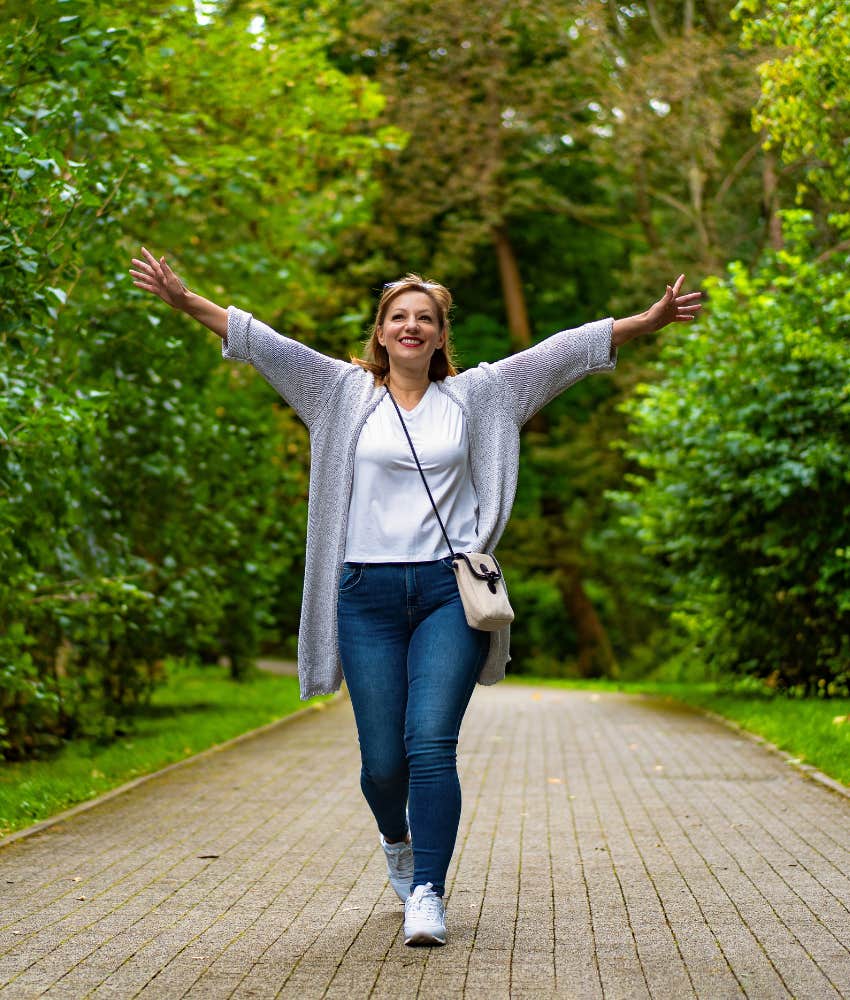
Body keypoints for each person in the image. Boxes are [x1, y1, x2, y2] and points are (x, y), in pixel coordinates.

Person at [129, 247, 701, 946]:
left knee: (430, 743)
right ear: (380, 332)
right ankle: (396, 838)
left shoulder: (481, 394)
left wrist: (647, 320)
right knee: (382, 763)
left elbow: (562, 353)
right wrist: (185, 300)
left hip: (445, 594)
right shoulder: (338, 392)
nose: (410, 327)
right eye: (398, 316)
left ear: (438, 334)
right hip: (363, 594)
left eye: (424, 318)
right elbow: (262, 343)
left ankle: (427, 890)